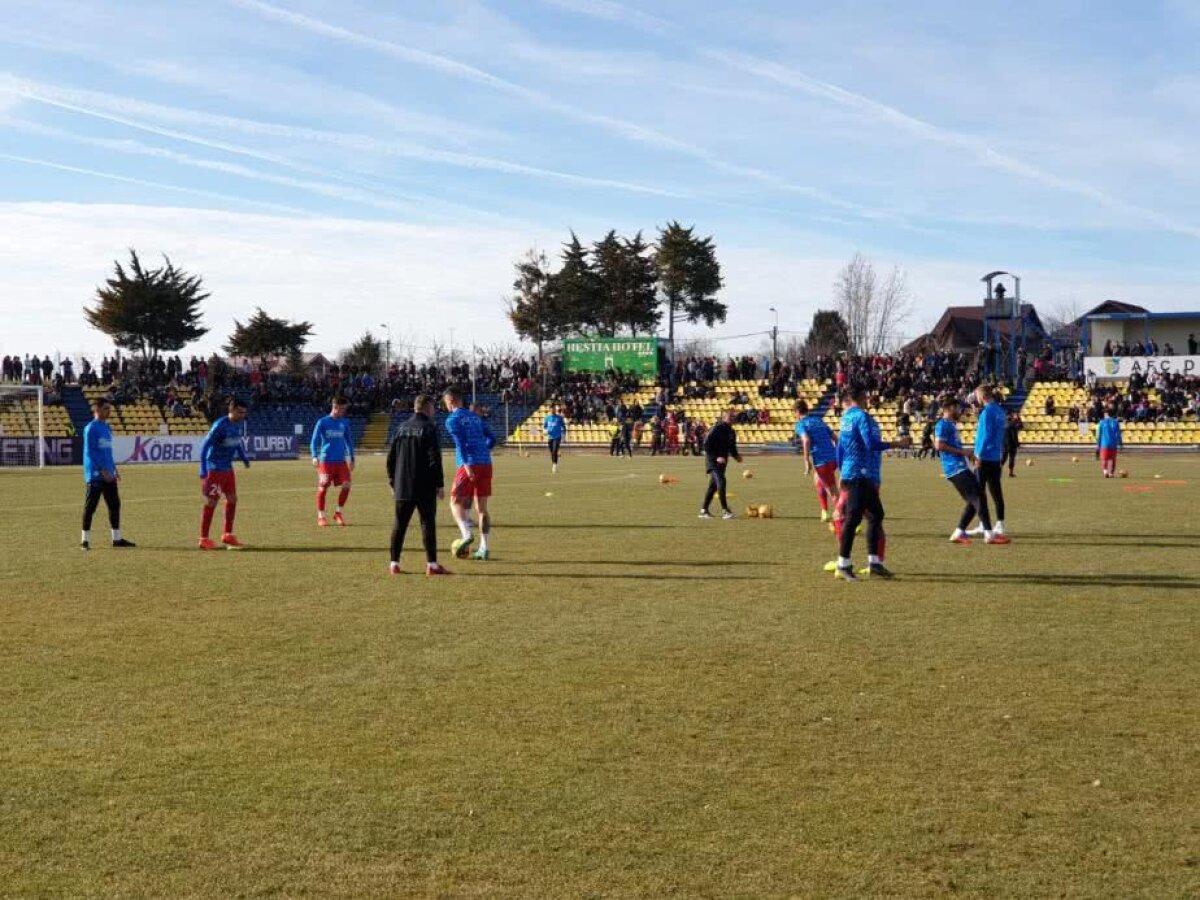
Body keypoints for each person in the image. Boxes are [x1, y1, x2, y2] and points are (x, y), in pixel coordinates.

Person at [833, 387, 906, 581]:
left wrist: (841, 471)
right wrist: (897, 444)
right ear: (860, 397)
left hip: (854, 473)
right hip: (860, 473)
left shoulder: (846, 419)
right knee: (854, 518)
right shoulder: (862, 417)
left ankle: (874, 562)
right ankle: (843, 564)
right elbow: (871, 444)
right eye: (865, 395)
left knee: (876, 514)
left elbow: (840, 448)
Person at [386, 395, 450, 576]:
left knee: (399, 524)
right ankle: (432, 564)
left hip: (402, 485)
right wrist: (439, 483)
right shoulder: (429, 428)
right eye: (433, 408)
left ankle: (394, 563)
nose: (434, 411)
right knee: (427, 524)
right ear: (427, 408)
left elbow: (391, 458)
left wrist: (392, 481)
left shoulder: (401, 428)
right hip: (424, 485)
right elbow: (434, 458)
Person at [935, 398, 1009, 545]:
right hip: (954, 469)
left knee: (975, 500)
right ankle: (989, 534)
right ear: (949, 408)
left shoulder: (950, 425)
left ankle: (958, 533)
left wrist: (969, 456)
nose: (960, 411)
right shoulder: (942, 425)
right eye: (958, 408)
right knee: (978, 498)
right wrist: (963, 452)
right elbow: (939, 445)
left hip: (960, 466)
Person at [443, 387, 494, 561]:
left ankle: (466, 534)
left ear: (451, 401)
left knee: (454, 501)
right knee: (482, 509)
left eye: (446, 403)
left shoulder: (452, 419)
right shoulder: (476, 417)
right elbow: (492, 438)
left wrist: (466, 465)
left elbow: (460, 444)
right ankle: (484, 548)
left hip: (469, 464)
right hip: (486, 463)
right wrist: (482, 450)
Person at [80, 398, 135, 551]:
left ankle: (117, 539)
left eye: (109, 408)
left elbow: (107, 451)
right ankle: (85, 541)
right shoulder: (90, 428)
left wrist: (113, 468)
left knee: (114, 505)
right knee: (90, 507)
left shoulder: (107, 427)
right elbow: (89, 452)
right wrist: (102, 470)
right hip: (96, 474)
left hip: (108, 473)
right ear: (96, 410)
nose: (109, 411)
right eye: (105, 408)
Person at [197, 398, 250, 550]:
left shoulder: (238, 424)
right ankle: (203, 538)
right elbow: (205, 446)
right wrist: (203, 468)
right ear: (231, 410)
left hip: (227, 467)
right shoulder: (220, 426)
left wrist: (243, 457)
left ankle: (227, 534)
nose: (242, 415)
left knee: (232, 498)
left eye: (244, 413)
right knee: (211, 502)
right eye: (240, 412)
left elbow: (237, 442)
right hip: (214, 468)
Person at [310, 396, 355, 527]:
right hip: (326, 461)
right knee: (323, 486)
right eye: (341, 409)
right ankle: (321, 516)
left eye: (344, 409)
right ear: (334, 407)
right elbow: (314, 441)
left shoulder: (345, 422)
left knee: (347, 485)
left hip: (341, 461)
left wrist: (352, 458)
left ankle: (338, 513)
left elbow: (348, 441)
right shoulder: (322, 422)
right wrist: (314, 456)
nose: (343, 412)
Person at [972, 384, 1009, 537]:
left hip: (984, 457)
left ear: (982, 396)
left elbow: (985, 435)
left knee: (978, 492)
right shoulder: (1000, 410)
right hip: (995, 456)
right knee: (996, 491)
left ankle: (983, 523)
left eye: (977, 396)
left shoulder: (987, 412)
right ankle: (999, 523)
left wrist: (978, 455)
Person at [793, 399, 838, 522]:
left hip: (822, 462)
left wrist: (806, 460)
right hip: (834, 459)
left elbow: (806, 440)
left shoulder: (801, 424)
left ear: (797, 412)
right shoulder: (819, 420)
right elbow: (835, 438)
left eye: (794, 413)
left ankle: (852, 522)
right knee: (817, 479)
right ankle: (824, 512)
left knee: (833, 492)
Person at [699, 409, 741, 520]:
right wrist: (716, 457)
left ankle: (704, 511)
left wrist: (736, 456)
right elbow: (706, 444)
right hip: (712, 461)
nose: (732, 418)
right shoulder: (717, 428)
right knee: (721, 481)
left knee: (712, 487)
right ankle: (725, 511)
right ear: (724, 418)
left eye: (733, 417)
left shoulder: (731, 432)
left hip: (722, 463)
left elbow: (732, 447)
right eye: (730, 417)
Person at [1096, 406, 1123, 478]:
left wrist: (1098, 445)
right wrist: (1120, 443)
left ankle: (1105, 472)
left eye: (1104, 413)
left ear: (1106, 414)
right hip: (1113, 444)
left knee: (1104, 459)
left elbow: (1099, 434)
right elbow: (1118, 434)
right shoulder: (1116, 422)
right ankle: (1111, 473)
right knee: (1113, 459)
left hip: (1104, 444)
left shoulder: (1102, 422)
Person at [543, 404, 567, 474]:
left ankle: (554, 466)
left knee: (554, 451)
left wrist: (564, 436)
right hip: (550, 437)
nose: (552, 410)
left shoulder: (559, 418)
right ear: (550, 410)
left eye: (553, 409)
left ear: (555, 410)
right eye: (551, 409)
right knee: (552, 452)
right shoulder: (547, 418)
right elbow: (545, 427)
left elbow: (564, 426)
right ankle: (554, 462)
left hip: (557, 437)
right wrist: (544, 431)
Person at [1002, 412, 1022, 477]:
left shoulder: (1004, 425)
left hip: (1004, 445)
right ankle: (1010, 473)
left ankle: (997, 471)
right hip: (1012, 445)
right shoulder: (1013, 426)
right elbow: (1014, 437)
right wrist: (1018, 444)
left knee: (1003, 459)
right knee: (1011, 458)